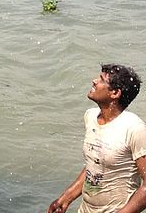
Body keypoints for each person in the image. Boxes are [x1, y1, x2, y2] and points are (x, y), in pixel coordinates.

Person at [47, 64, 146, 213]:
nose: (94, 81)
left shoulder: (134, 128)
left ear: (115, 93)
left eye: (101, 80)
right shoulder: (91, 116)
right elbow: (94, 166)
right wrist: (66, 198)